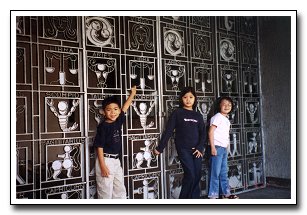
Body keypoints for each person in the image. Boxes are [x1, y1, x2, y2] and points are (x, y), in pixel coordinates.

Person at [154, 86, 206, 199]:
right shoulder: (177, 113)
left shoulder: (198, 115)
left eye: (191, 97)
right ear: (181, 99)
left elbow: (203, 133)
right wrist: (160, 148)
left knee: (196, 175)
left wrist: (200, 147)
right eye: (185, 97)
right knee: (191, 174)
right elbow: (168, 131)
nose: (188, 99)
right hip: (183, 149)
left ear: (195, 99)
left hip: (197, 150)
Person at [94, 86, 137, 199]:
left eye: (115, 109)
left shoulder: (117, 122)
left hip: (116, 161)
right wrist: (103, 166)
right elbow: (99, 146)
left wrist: (132, 94)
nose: (113, 112)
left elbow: (125, 107)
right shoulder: (103, 127)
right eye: (109, 109)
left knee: (120, 191)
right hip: (106, 161)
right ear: (104, 112)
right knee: (105, 193)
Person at [207, 96, 239, 199]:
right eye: (224, 104)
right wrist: (212, 147)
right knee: (215, 173)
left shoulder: (226, 119)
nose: (227, 106)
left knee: (223, 172)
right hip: (217, 147)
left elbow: (225, 135)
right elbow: (210, 132)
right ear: (219, 105)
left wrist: (227, 148)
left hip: (223, 148)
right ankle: (213, 195)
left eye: (229, 105)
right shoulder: (217, 117)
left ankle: (226, 193)